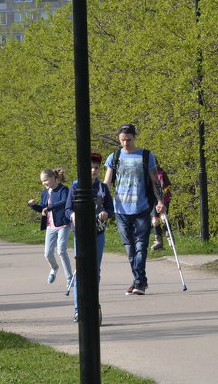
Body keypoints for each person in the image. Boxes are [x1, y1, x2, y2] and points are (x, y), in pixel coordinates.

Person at [103, 123, 165, 295]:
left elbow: (155, 181)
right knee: (129, 247)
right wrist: (99, 201)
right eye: (122, 140)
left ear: (134, 137)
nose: (125, 143)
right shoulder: (114, 157)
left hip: (142, 207)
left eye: (128, 140)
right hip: (120, 208)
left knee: (141, 245)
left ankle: (138, 282)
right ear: (119, 139)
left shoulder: (146, 155)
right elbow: (107, 182)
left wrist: (160, 201)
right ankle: (140, 280)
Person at [65, 153, 113, 320]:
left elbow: (110, 209)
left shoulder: (103, 188)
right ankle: (78, 308)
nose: (93, 171)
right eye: (90, 168)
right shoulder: (75, 187)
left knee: (95, 271)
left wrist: (105, 213)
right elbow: (68, 209)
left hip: (98, 233)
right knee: (81, 270)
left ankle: (93, 303)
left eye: (96, 168)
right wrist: (73, 216)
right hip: (81, 235)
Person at [28, 168, 74, 289]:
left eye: (46, 180)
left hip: (63, 224)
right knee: (48, 253)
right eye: (42, 181)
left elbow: (65, 202)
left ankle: (69, 278)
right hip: (50, 226)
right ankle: (54, 268)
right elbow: (43, 208)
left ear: (53, 177)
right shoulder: (45, 193)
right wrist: (33, 206)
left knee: (61, 251)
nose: (44, 183)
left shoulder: (63, 189)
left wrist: (50, 208)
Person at [150, 165, 173, 252]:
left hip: (164, 198)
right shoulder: (149, 174)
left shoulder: (162, 173)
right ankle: (158, 241)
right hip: (154, 200)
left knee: (163, 218)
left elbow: (168, 186)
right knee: (155, 220)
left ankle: (169, 236)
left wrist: (163, 194)